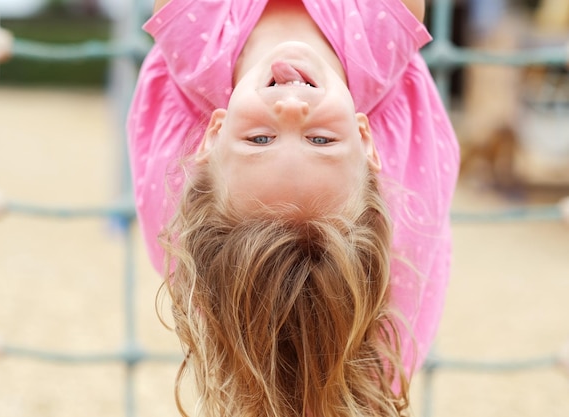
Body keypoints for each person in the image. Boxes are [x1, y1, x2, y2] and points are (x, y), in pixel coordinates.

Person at [127, 0, 459, 416]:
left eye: (260, 139)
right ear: (365, 138)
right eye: (321, 140)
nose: (290, 109)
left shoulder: (196, 34)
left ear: (212, 135)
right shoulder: (380, 30)